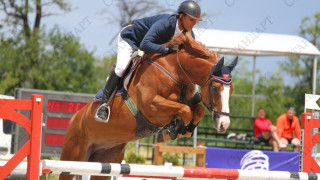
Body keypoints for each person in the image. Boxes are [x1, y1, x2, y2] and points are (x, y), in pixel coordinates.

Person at [95, 1, 203, 122]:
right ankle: (103, 106)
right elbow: (144, 44)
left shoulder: (189, 33)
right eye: (192, 19)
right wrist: (166, 49)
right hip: (131, 38)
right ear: (182, 16)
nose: (194, 23)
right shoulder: (165, 24)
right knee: (121, 67)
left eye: (196, 21)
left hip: (149, 44)